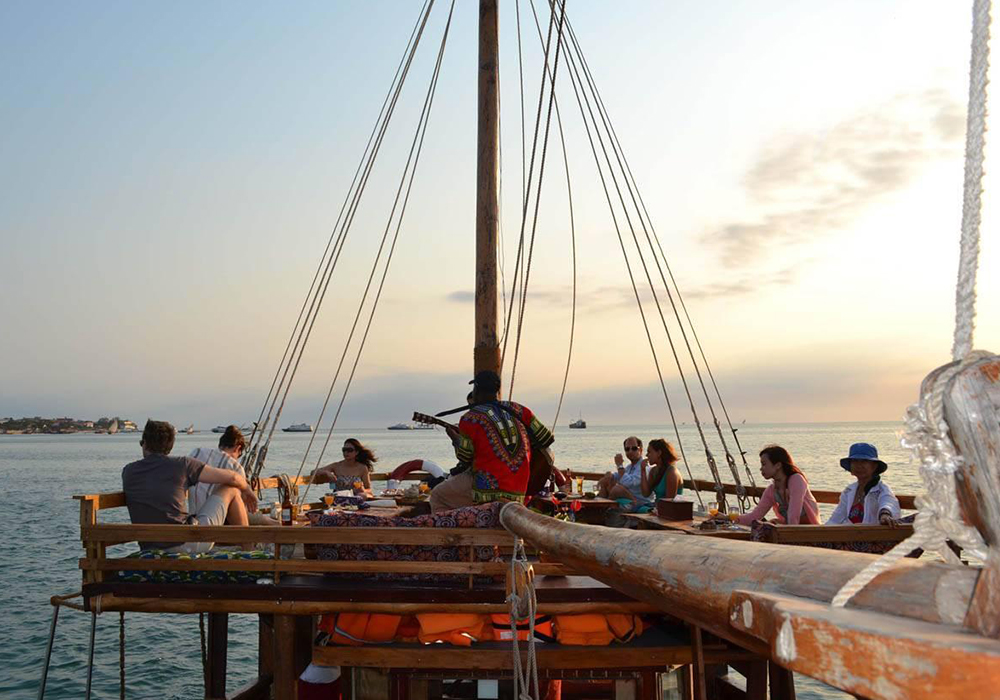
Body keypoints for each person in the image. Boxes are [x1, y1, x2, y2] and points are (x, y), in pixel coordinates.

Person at [122, 419, 258, 552]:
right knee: (231, 489)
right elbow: (233, 477)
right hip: (187, 544)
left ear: (144, 443)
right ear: (170, 447)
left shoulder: (128, 471)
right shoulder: (183, 464)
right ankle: (249, 549)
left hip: (149, 547)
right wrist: (247, 490)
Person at [430, 370, 554, 512]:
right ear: (497, 390)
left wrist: (455, 439)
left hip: (486, 491)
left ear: (476, 390)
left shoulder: (470, 418)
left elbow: (464, 457)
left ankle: (456, 531)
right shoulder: (520, 410)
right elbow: (547, 438)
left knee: (438, 495)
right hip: (520, 489)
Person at [188, 425, 277, 525]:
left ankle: (273, 523)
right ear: (237, 448)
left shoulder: (197, 452)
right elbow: (240, 508)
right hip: (216, 522)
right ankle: (252, 536)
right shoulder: (236, 468)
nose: (236, 459)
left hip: (192, 518)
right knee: (234, 493)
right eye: (238, 456)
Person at [722, 445, 820, 525]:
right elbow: (754, 517)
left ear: (778, 465)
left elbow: (793, 516)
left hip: (809, 532)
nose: (761, 469)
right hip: (790, 530)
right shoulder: (772, 490)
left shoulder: (796, 480)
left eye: (764, 464)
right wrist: (726, 517)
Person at [827, 442, 901, 526]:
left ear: (874, 466)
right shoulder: (849, 491)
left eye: (864, 461)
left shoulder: (881, 489)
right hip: (849, 536)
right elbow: (835, 519)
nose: (859, 465)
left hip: (874, 536)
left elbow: (888, 502)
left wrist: (885, 515)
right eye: (855, 461)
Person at [311, 438, 376, 496]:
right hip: (339, 499)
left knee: (363, 495)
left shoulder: (362, 468)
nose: (346, 452)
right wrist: (327, 473)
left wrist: (363, 490)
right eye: (344, 450)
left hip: (356, 498)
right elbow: (314, 472)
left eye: (350, 450)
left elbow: (368, 489)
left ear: (356, 452)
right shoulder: (336, 466)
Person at [597, 437, 648, 510]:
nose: (630, 451)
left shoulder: (644, 467)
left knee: (616, 489)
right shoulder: (629, 467)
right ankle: (599, 508)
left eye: (634, 448)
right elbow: (617, 476)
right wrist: (608, 475)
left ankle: (603, 509)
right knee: (606, 482)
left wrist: (619, 465)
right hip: (628, 500)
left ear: (641, 450)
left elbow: (629, 482)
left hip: (640, 502)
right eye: (627, 449)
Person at [641, 438, 684, 503]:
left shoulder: (671, 472)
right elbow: (645, 493)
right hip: (657, 507)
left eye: (649, 452)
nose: (647, 455)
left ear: (659, 453)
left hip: (669, 509)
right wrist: (643, 470)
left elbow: (669, 501)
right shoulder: (653, 471)